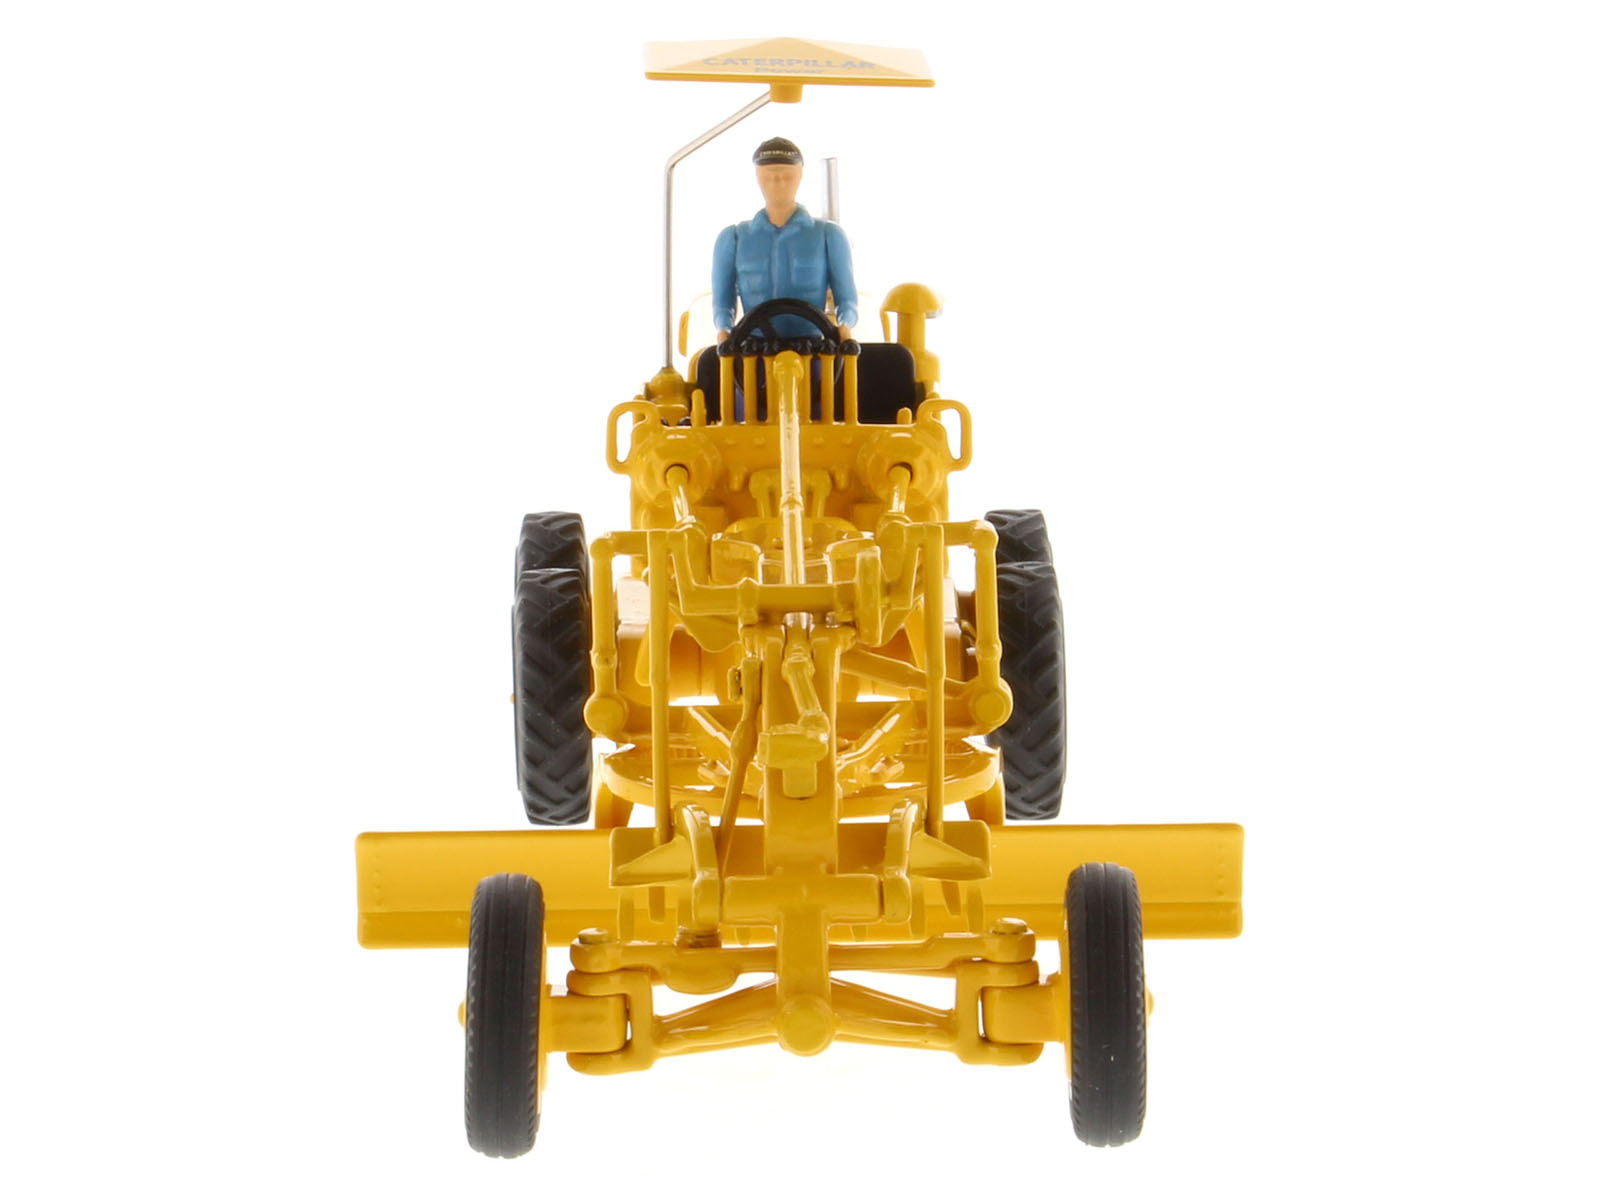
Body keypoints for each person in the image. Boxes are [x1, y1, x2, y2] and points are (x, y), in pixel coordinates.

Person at [712, 138, 858, 344]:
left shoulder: (830, 236)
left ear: (800, 176)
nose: (778, 183)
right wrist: (724, 330)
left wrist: (845, 326)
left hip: (815, 349)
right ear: (757, 177)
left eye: (787, 176)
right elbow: (722, 303)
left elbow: (847, 299)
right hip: (751, 350)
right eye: (769, 177)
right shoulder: (733, 238)